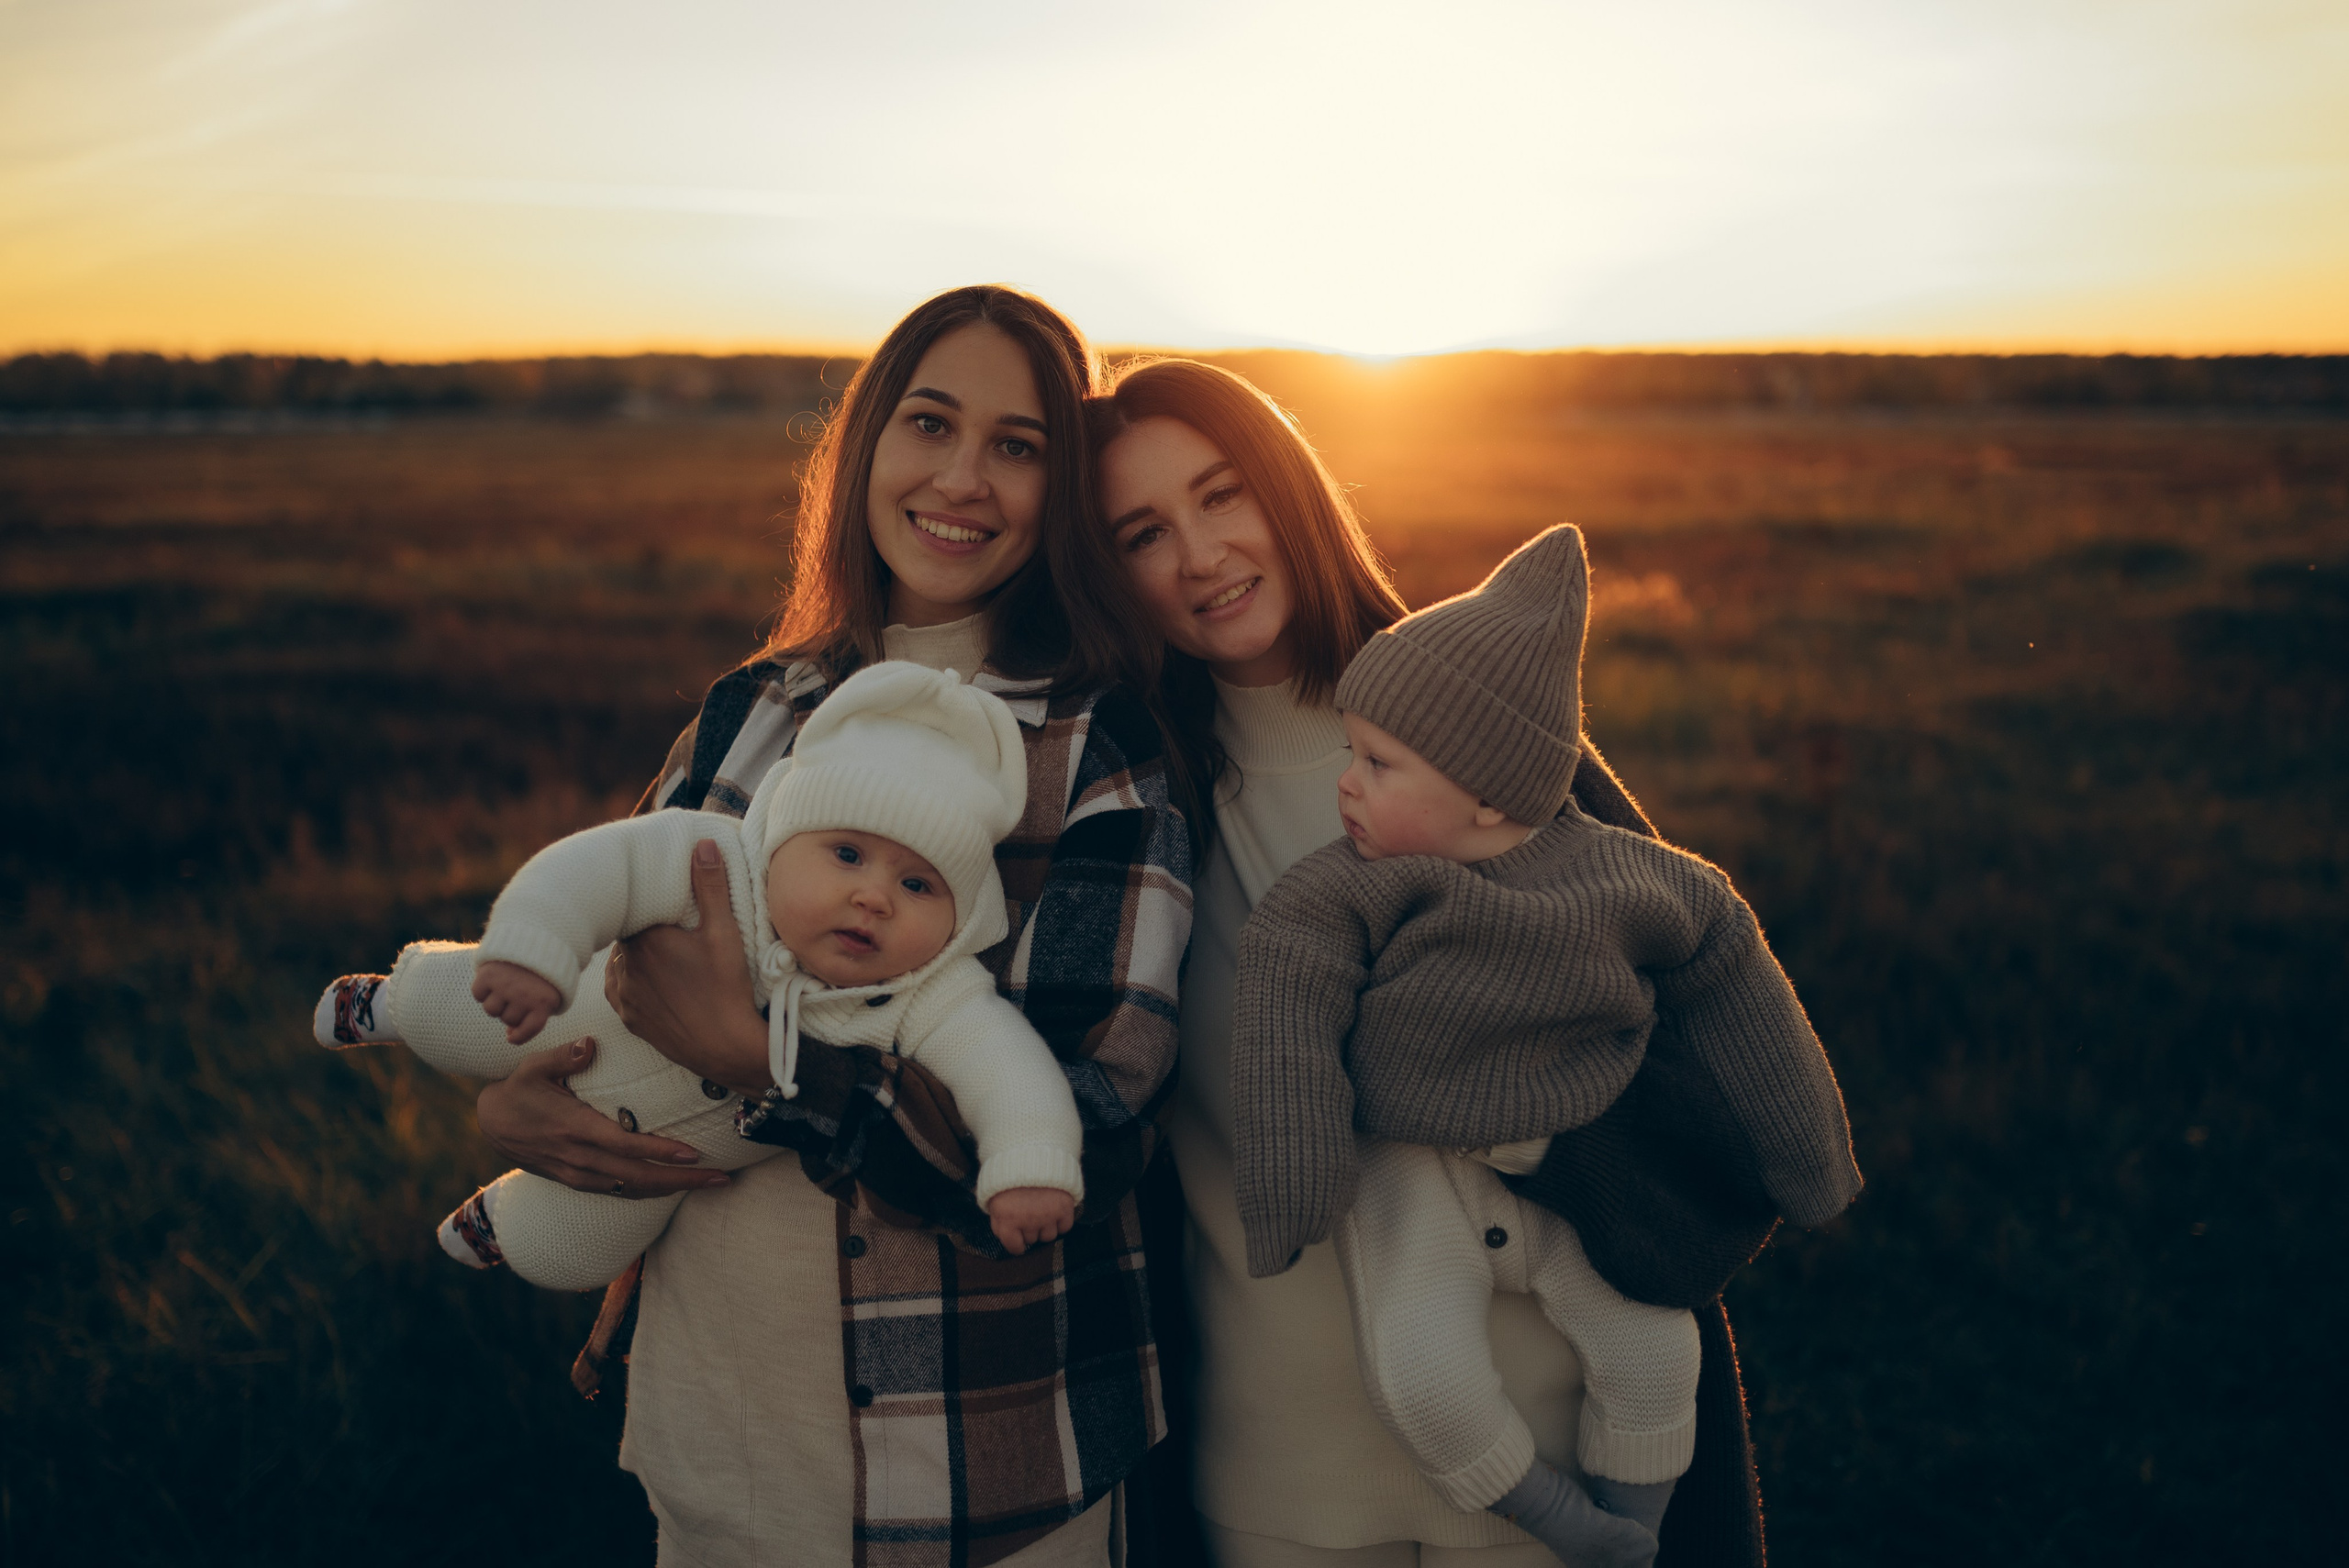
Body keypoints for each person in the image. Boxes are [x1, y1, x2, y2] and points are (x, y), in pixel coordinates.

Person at [470, 285, 1195, 1568]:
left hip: (993, 1463)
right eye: (929, 423)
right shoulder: (756, 706)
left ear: (1060, 485)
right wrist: (524, 1102)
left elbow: (1098, 1118)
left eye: (1017, 447)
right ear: (867, 444)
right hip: (721, 1437)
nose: (961, 479)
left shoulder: (1095, 748)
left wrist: (773, 1066)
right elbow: (605, 971)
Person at [1089, 357, 1805, 1568]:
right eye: (1144, 533)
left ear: (1291, 492)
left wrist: (1522, 1125)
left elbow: (1690, 1064)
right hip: (1278, 1477)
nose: (1201, 554)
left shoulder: (1474, 737)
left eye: (1224, 495)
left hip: (1561, 1458)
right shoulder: (1131, 807)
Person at [1229, 526, 1862, 1567]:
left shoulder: (1637, 878)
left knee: (1656, 1346)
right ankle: (1554, 1515)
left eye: (1377, 761)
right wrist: (1295, 1176)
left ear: (1486, 789)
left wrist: (1810, 1163)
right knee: (1423, 1372)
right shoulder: (1358, 881)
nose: (1346, 782)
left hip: (1575, 1160)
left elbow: (1744, 998)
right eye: (1350, 751)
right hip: (1410, 1157)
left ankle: (1632, 1534)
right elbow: (1285, 991)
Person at [314, 662, 1085, 1291]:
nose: (873, 895)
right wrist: (536, 944)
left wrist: (1029, 1163)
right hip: (570, 1015)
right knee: (468, 1007)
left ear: (959, 920)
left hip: (662, 1159)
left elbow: (1006, 1069)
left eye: (919, 886)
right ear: (786, 836)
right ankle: (390, 999)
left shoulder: (924, 993)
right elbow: (599, 865)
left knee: (572, 1251)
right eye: (846, 854)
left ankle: (503, 1221)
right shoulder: (715, 860)